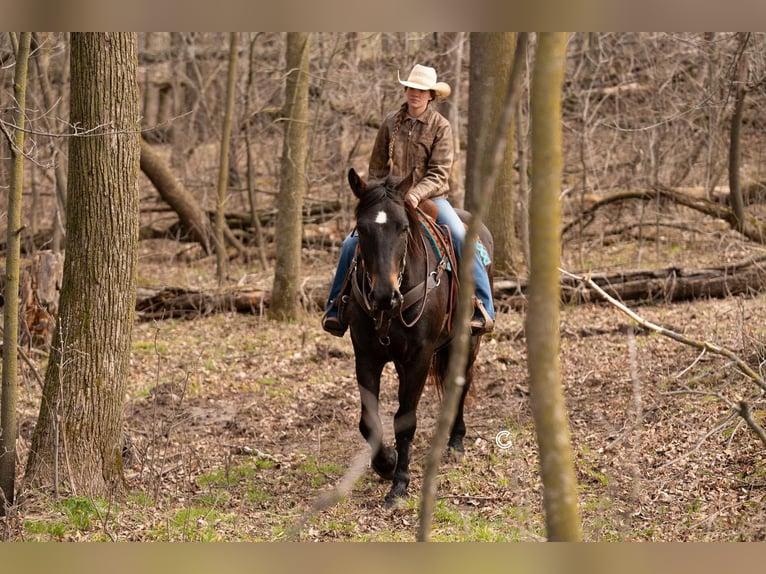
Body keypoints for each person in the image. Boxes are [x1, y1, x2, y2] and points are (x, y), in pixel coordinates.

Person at [322, 63, 495, 337]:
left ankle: (483, 307)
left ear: (431, 95)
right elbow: (377, 168)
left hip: (430, 199)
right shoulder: (391, 122)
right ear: (405, 90)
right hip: (390, 201)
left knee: (462, 239)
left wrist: (414, 193)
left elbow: (439, 172)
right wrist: (377, 196)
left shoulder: (441, 126)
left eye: (421, 90)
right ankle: (336, 308)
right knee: (350, 243)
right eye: (411, 88)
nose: (415, 93)